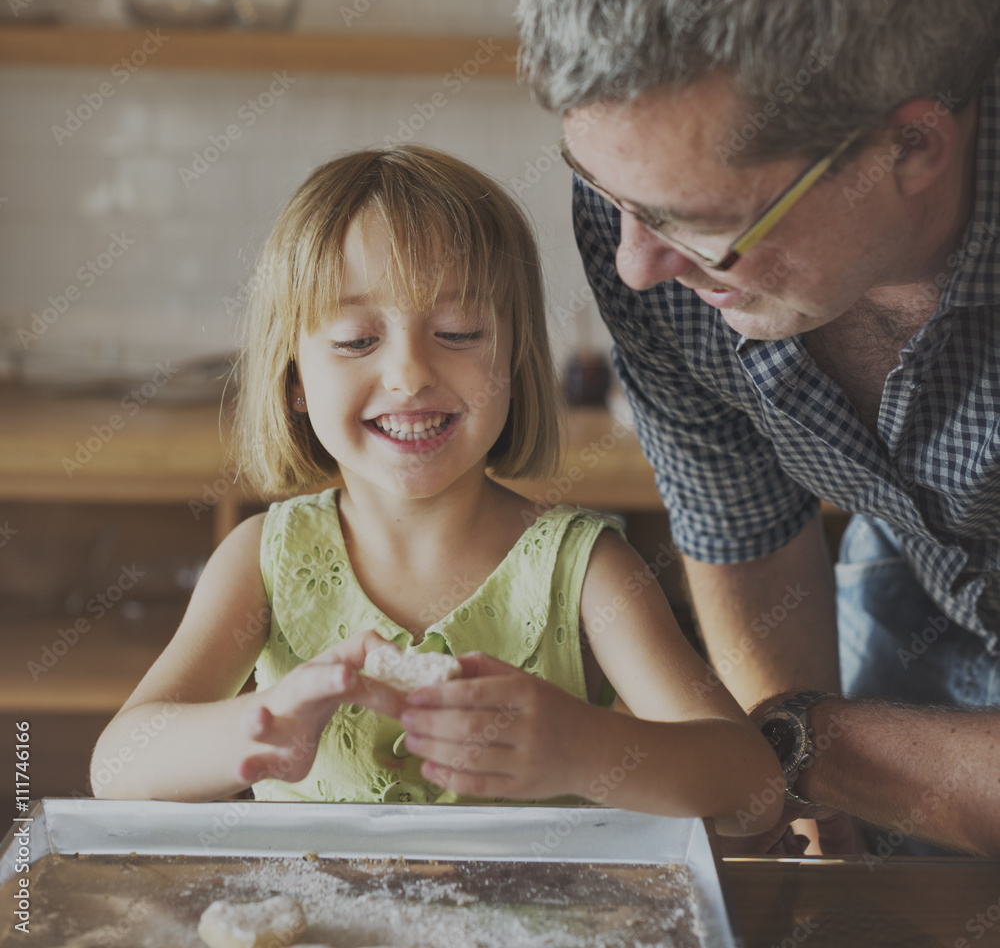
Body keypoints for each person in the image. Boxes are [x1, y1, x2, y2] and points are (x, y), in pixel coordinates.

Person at [90, 146, 782, 834]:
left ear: (515, 358)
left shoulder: (584, 571)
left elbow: (751, 788)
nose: (410, 373)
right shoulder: (261, 561)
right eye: (358, 340)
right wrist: (258, 729)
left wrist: (585, 749)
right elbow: (118, 766)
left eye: (457, 331)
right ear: (294, 379)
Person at [515, 0, 1000, 857]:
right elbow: (740, 526)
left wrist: (802, 745)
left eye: (704, 225)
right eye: (608, 193)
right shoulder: (647, 219)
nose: (632, 264)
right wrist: (809, 813)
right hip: (915, 592)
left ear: (914, 148)